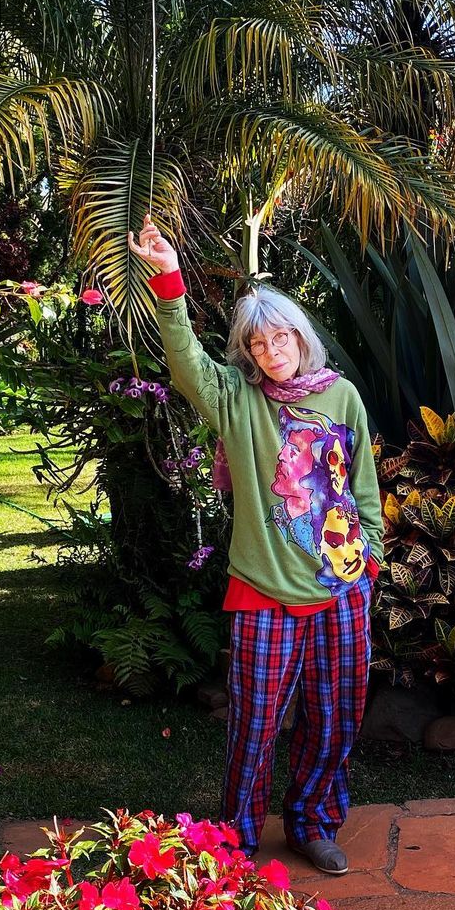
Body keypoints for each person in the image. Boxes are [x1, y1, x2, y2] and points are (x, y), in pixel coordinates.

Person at [127, 215, 385, 875]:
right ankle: (236, 841)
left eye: (282, 337)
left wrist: (370, 558)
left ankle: (312, 824)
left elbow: (362, 488)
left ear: (302, 339)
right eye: (258, 343)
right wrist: (166, 276)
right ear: (246, 353)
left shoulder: (342, 398)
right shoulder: (235, 401)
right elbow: (184, 358)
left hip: (341, 587)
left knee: (333, 720)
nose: (273, 350)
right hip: (263, 589)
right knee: (255, 727)